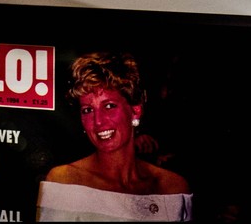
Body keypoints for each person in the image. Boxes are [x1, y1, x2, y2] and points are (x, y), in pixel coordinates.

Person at [36, 51, 191, 221]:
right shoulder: (65, 180)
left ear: (135, 111)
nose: (98, 122)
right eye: (88, 110)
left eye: (109, 106)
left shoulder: (172, 187)